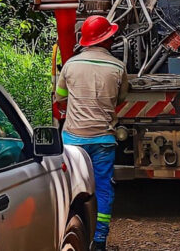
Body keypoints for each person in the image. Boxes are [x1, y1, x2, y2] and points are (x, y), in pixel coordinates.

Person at [55, 15, 128, 251]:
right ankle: (99, 241)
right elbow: (121, 98)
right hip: (103, 139)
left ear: (86, 40)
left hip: (73, 141)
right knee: (104, 189)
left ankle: (70, 234)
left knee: (70, 189)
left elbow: (59, 97)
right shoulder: (118, 67)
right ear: (107, 39)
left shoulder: (70, 65)